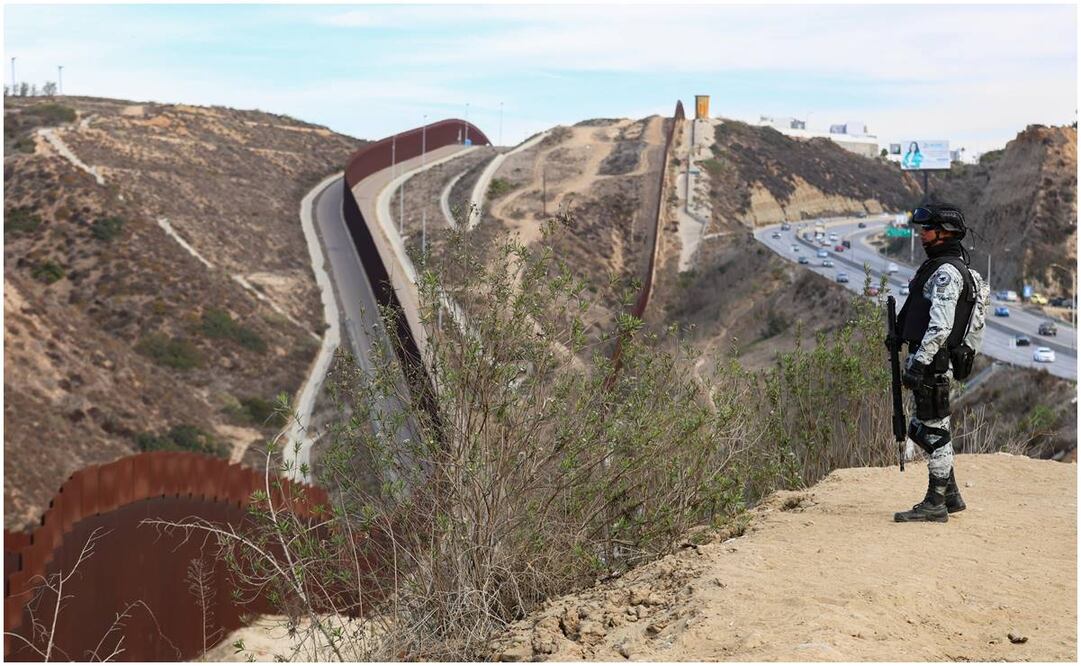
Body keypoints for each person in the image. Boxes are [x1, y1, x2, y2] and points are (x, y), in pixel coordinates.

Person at [888, 204, 989, 522]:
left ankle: (935, 502)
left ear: (945, 232)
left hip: (933, 363)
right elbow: (977, 325)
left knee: (930, 430)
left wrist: (919, 363)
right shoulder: (963, 271)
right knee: (931, 427)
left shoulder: (946, 272)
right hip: (939, 361)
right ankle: (952, 494)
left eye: (927, 228)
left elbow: (942, 326)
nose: (921, 233)